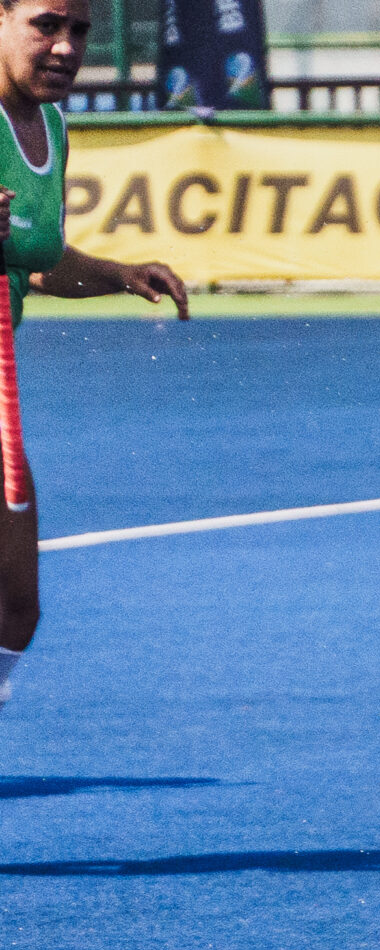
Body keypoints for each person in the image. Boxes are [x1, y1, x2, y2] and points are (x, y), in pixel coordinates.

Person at [0, 0, 188, 708]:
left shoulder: (48, 124)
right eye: (45, 25)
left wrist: (118, 274)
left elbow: (36, 259)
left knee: (17, 607)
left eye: (78, 30)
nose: (65, 47)